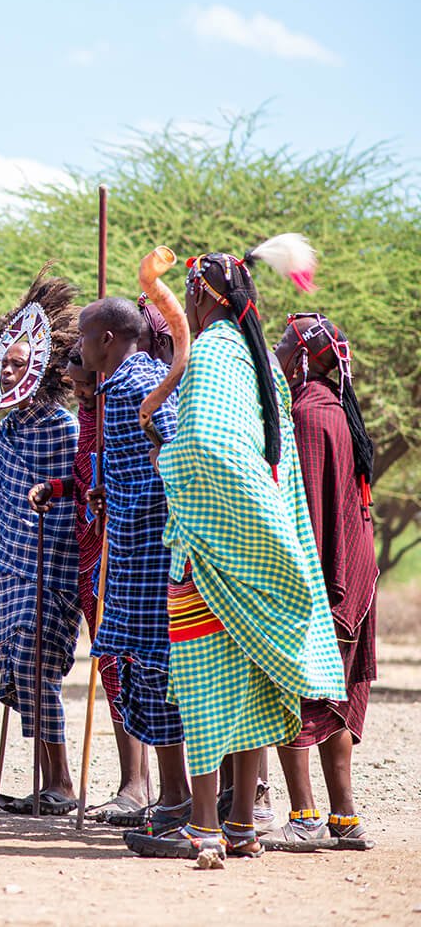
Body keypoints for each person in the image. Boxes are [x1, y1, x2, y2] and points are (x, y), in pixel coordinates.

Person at [128, 239, 345, 860]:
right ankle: (243, 825)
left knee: (202, 692)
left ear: (197, 295)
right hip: (256, 555)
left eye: (188, 295)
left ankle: (203, 825)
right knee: (249, 687)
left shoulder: (212, 357)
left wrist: (163, 455)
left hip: (209, 556)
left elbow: (207, 447)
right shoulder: (260, 362)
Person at [262, 313, 380, 851]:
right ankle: (345, 817)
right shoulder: (333, 411)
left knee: (292, 691)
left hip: (324, 584)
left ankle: (306, 816)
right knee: (333, 698)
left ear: (307, 357)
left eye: (285, 343)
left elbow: (305, 511)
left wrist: (291, 583)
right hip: (356, 583)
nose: (277, 350)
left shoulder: (306, 415)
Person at [75, 296, 191, 836]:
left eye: (82, 337)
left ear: (106, 340)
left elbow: (174, 452)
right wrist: (106, 487)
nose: (77, 348)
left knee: (156, 669)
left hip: (151, 550)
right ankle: (173, 797)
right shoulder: (118, 385)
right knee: (146, 670)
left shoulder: (138, 384)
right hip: (130, 544)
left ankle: (175, 799)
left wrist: (135, 496)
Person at [0, 273, 82, 815]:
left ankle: (62, 781)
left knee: (41, 664)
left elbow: (81, 493)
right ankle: (47, 780)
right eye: (4, 364)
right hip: (11, 564)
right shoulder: (7, 431)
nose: (9, 371)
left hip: (55, 564)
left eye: (18, 364)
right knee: (18, 665)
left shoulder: (67, 429)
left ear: (41, 368)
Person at [30, 348, 150, 819]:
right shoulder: (88, 416)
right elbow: (86, 483)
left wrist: (108, 502)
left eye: (83, 384)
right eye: (74, 387)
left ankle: (137, 787)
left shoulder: (122, 411)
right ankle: (133, 786)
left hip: (120, 555)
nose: (78, 393)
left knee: (128, 668)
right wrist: (57, 489)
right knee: (108, 666)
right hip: (87, 555)